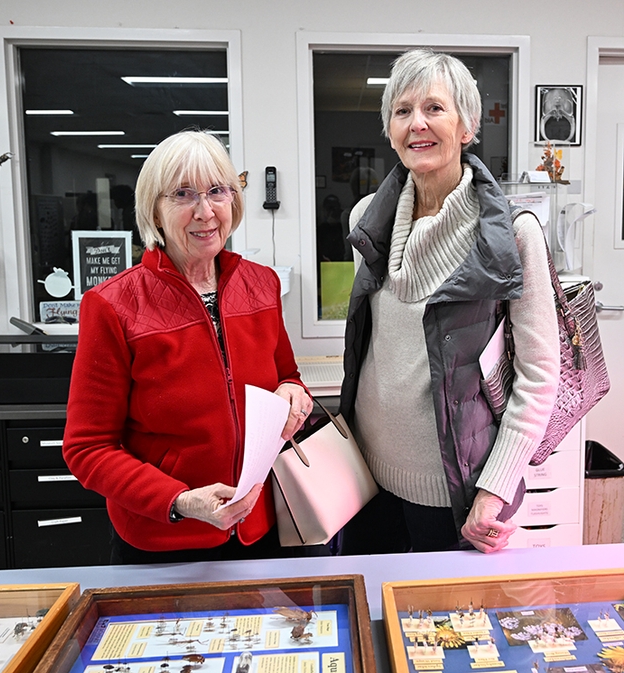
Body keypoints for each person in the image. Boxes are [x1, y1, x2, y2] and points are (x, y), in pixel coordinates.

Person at [339, 49, 560, 554]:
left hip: (453, 488)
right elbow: (373, 344)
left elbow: (539, 375)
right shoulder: (365, 220)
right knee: (368, 616)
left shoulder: (512, 235)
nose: (417, 123)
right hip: (366, 476)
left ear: (467, 126)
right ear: (390, 129)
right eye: (402, 110)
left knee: (442, 627)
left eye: (435, 108)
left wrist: (495, 488)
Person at [63, 130, 313, 563]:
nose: (206, 211)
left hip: (261, 528)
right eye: (183, 194)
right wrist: (180, 501)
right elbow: (87, 449)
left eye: (218, 191)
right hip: (166, 540)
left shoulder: (261, 285)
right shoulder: (113, 306)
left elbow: (288, 376)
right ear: (155, 211)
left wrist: (294, 394)